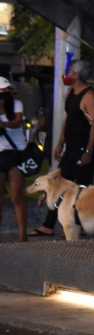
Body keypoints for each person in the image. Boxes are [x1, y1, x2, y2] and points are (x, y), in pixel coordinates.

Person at [29, 60, 94, 237]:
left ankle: (80, 223)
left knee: (82, 185)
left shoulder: (90, 96)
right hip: (70, 147)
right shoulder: (71, 92)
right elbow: (67, 119)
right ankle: (50, 223)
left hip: (83, 147)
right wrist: (61, 142)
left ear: (76, 74)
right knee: (59, 182)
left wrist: (89, 151)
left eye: (69, 71)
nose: (66, 74)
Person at [0, 77, 27, 242]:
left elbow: (17, 122)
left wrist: (4, 125)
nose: (5, 94)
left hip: (15, 153)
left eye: (6, 91)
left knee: (16, 195)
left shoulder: (16, 104)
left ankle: (22, 234)